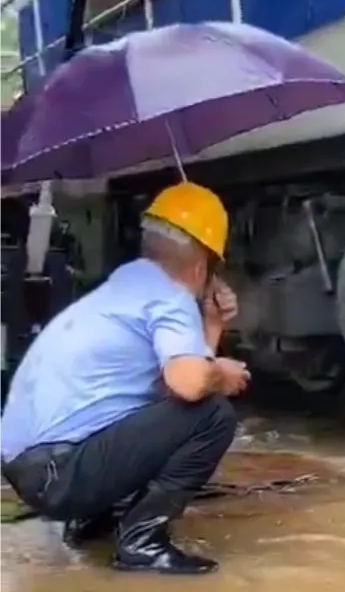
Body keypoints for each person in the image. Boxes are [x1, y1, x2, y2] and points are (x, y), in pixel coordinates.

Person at [0, 182, 250, 576]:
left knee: (156, 405)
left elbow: (169, 393)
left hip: (30, 469)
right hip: (59, 474)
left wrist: (211, 323)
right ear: (202, 265)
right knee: (214, 414)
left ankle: (89, 520)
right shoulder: (170, 296)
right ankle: (141, 543)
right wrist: (222, 373)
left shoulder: (128, 283)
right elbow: (190, 384)